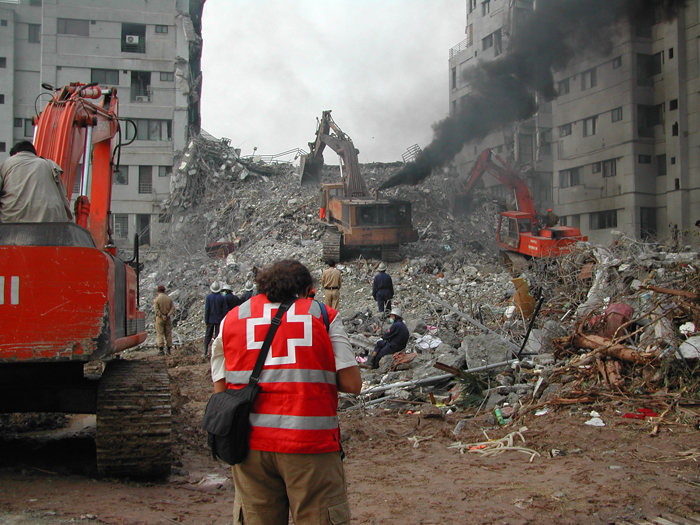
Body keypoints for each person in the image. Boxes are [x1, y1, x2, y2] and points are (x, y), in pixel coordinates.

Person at [210, 259, 361, 525]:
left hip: (249, 448)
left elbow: (221, 390)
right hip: (310, 447)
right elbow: (352, 384)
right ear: (306, 289)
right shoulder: (323, 316)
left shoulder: (231, 319)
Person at [0, 140, 73, 223]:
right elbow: (63, 197)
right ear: (33, 153)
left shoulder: (6, 164)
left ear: (14, 154)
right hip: (49, 218)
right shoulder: (49, 165)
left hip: (12, 218)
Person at [204, 281, 227, 358]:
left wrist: (206, 320)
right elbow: (224, 310)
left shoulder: (208, 298)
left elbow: (207, 309)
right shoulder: (222, 298)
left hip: (210, 320)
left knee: (208, 335)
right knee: (217, 336)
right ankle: (217, 352)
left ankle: (205, 351)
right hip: (219, 320)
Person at [153, 285, 176, 356]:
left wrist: (162, 316)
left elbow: (156, 310)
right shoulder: (169, 299)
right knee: (168, 333)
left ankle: (161, 349)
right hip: (168, 318)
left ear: (158, 291)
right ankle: (169, 349)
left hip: (160, 318)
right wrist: (168, 315)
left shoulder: (156, 300)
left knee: (160, 333)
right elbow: (173, 308)